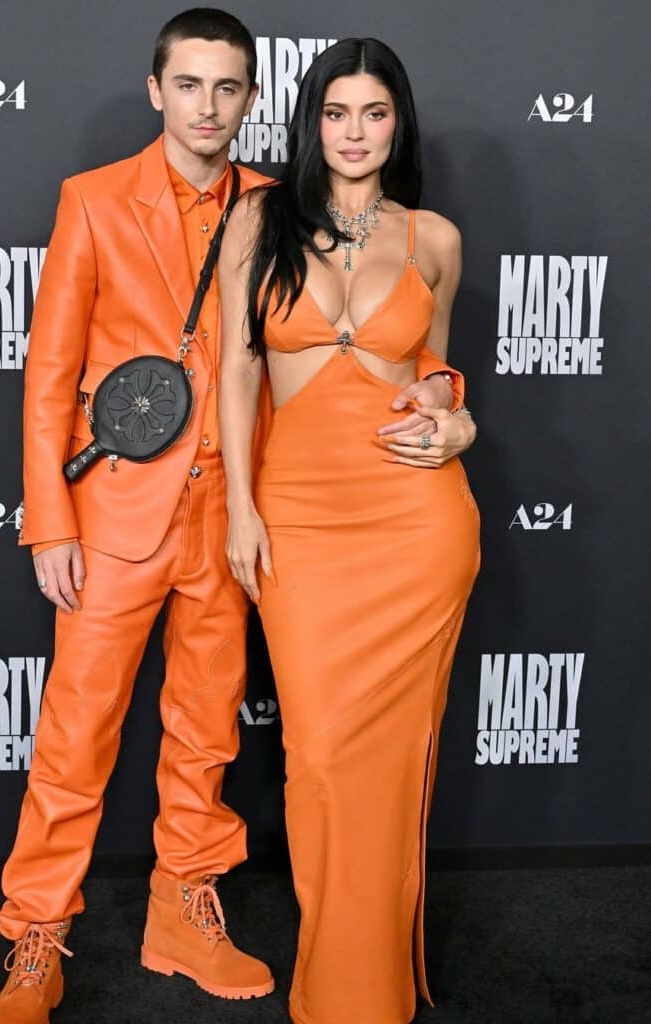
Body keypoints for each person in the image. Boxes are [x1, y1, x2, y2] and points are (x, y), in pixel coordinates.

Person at [0, 9, 468, 1021]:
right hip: (118, 513)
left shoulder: (274, 205)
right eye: (188, 85)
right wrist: (51, 522)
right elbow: (49, 374)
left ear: (253, 99)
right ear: (155, 90)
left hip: (237, 514)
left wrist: (448, 402)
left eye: (227, 88)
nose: (207, 107)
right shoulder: (93, 199)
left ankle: (183, 906)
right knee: (76, 732)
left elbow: (389, 342)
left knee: (206, 729)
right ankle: (35, 932)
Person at [218, 37, 480, 1024]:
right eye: (337, 113)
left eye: (375, 113)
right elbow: (239, 369)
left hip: (416, 526)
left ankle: (362, 995)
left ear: (398, 122)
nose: (355, 133)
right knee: (321, 758)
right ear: (311, 121)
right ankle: (340, 979)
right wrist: (241, 508)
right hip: (300, 519)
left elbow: (434, 373)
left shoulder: (433, 239)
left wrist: (453, 413)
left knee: (393, 765)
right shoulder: (259, 218)